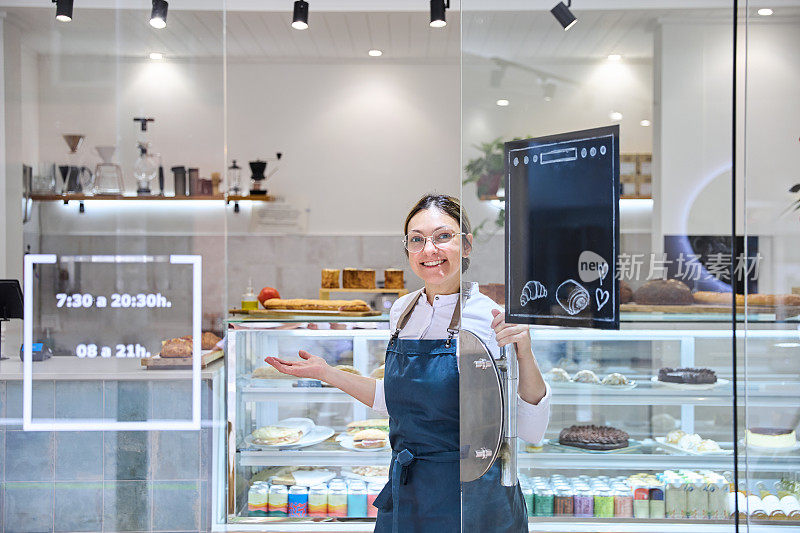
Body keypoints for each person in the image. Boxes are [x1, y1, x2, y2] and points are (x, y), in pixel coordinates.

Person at [265, 193, 550, 532]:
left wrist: (525, 353)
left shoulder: (489, 317)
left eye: (443, 236)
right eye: (417, 240)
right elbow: (398, 401)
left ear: (467, 245)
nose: (429, 250)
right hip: (411, 488)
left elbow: (532, 429)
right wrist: (327, 373)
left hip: (472, 494)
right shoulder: (402, 311)